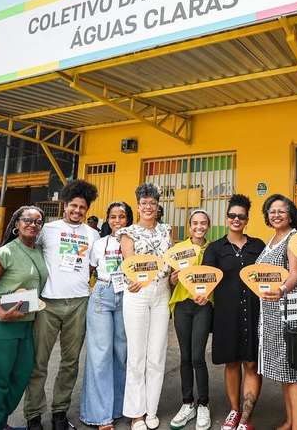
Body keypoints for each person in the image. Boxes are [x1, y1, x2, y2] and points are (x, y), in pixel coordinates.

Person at [25, 180, 100, 430]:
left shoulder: (93, 234)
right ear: (65, 205)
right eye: (74, 206)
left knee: (70, 363)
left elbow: (96, 266)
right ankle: (33, 415)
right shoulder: (47, 230)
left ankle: (59, 413)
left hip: (79, 303)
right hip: (48, 303)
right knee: (39, 362)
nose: (77, 211)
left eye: (82, 208)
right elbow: (29, 255)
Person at [0, 206, 48, 430]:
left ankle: (0, 422)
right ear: (16, 224)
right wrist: (0, 312)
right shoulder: (5, 252)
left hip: (25, 325)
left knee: (19, 378)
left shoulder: (38, 251)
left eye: (37, 222)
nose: (32, 224)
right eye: (27, 220)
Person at [258, 194, 297, 430]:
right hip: (274, 314)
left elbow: (295, 274)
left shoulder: (294, 238)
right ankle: (290, 420)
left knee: (296, 373)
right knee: (286, 372)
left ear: (291, 215)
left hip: (292, 313)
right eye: (271, 211)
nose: (275, 215)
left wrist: (282, 289)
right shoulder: (275, 238)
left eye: (281, 211)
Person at [202, 194, 265, 430]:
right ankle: (234, 411)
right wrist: (200, 293)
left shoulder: (258, 245)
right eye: (232, 215)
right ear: (226, 218)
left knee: (251, 363)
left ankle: (246, 418)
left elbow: (268, 275)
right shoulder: (216, 248)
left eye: (241, 216)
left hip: (254, 312)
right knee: (231, 363)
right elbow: (206, 278)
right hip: (226, 316)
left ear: (247, 219)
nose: (236, 219)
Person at [117, 183, 173, 430]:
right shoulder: (128, 232)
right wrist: (139, 278)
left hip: (162, 293)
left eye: (152, 203)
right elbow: (130, 265)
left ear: (158, 206)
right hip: (138, 293)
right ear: (138, 206)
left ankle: (151, 409)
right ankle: (136, 413)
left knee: (157, 354)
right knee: (137, 356)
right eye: (144, 203)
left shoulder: (166, 230)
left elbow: (171, 262)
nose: (148, 207)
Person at [80, 202, 134, 430]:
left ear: (128, 219)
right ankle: (100, 415)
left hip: (127, 295)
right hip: (102, 293)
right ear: (107, 219)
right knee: (100, 354)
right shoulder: (98, 243)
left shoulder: (134, 242)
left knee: (121, 353)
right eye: (113, 217)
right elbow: (89, 268)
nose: (117, 221)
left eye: (122, 216)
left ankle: (118, 407)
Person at [168, 209, 214, 430]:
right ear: (189, 226)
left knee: (197, 356)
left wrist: (209, 296)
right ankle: (187, 403)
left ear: (208, 225)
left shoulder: (213, 249)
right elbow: (170, 282)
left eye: (203, 223)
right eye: (195, 223)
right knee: (185, 356)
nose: (199, 226)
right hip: (182, 307)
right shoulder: (178, 250)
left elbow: (217, 279)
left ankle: (203, 403)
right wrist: (173, 278)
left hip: (203, 307)